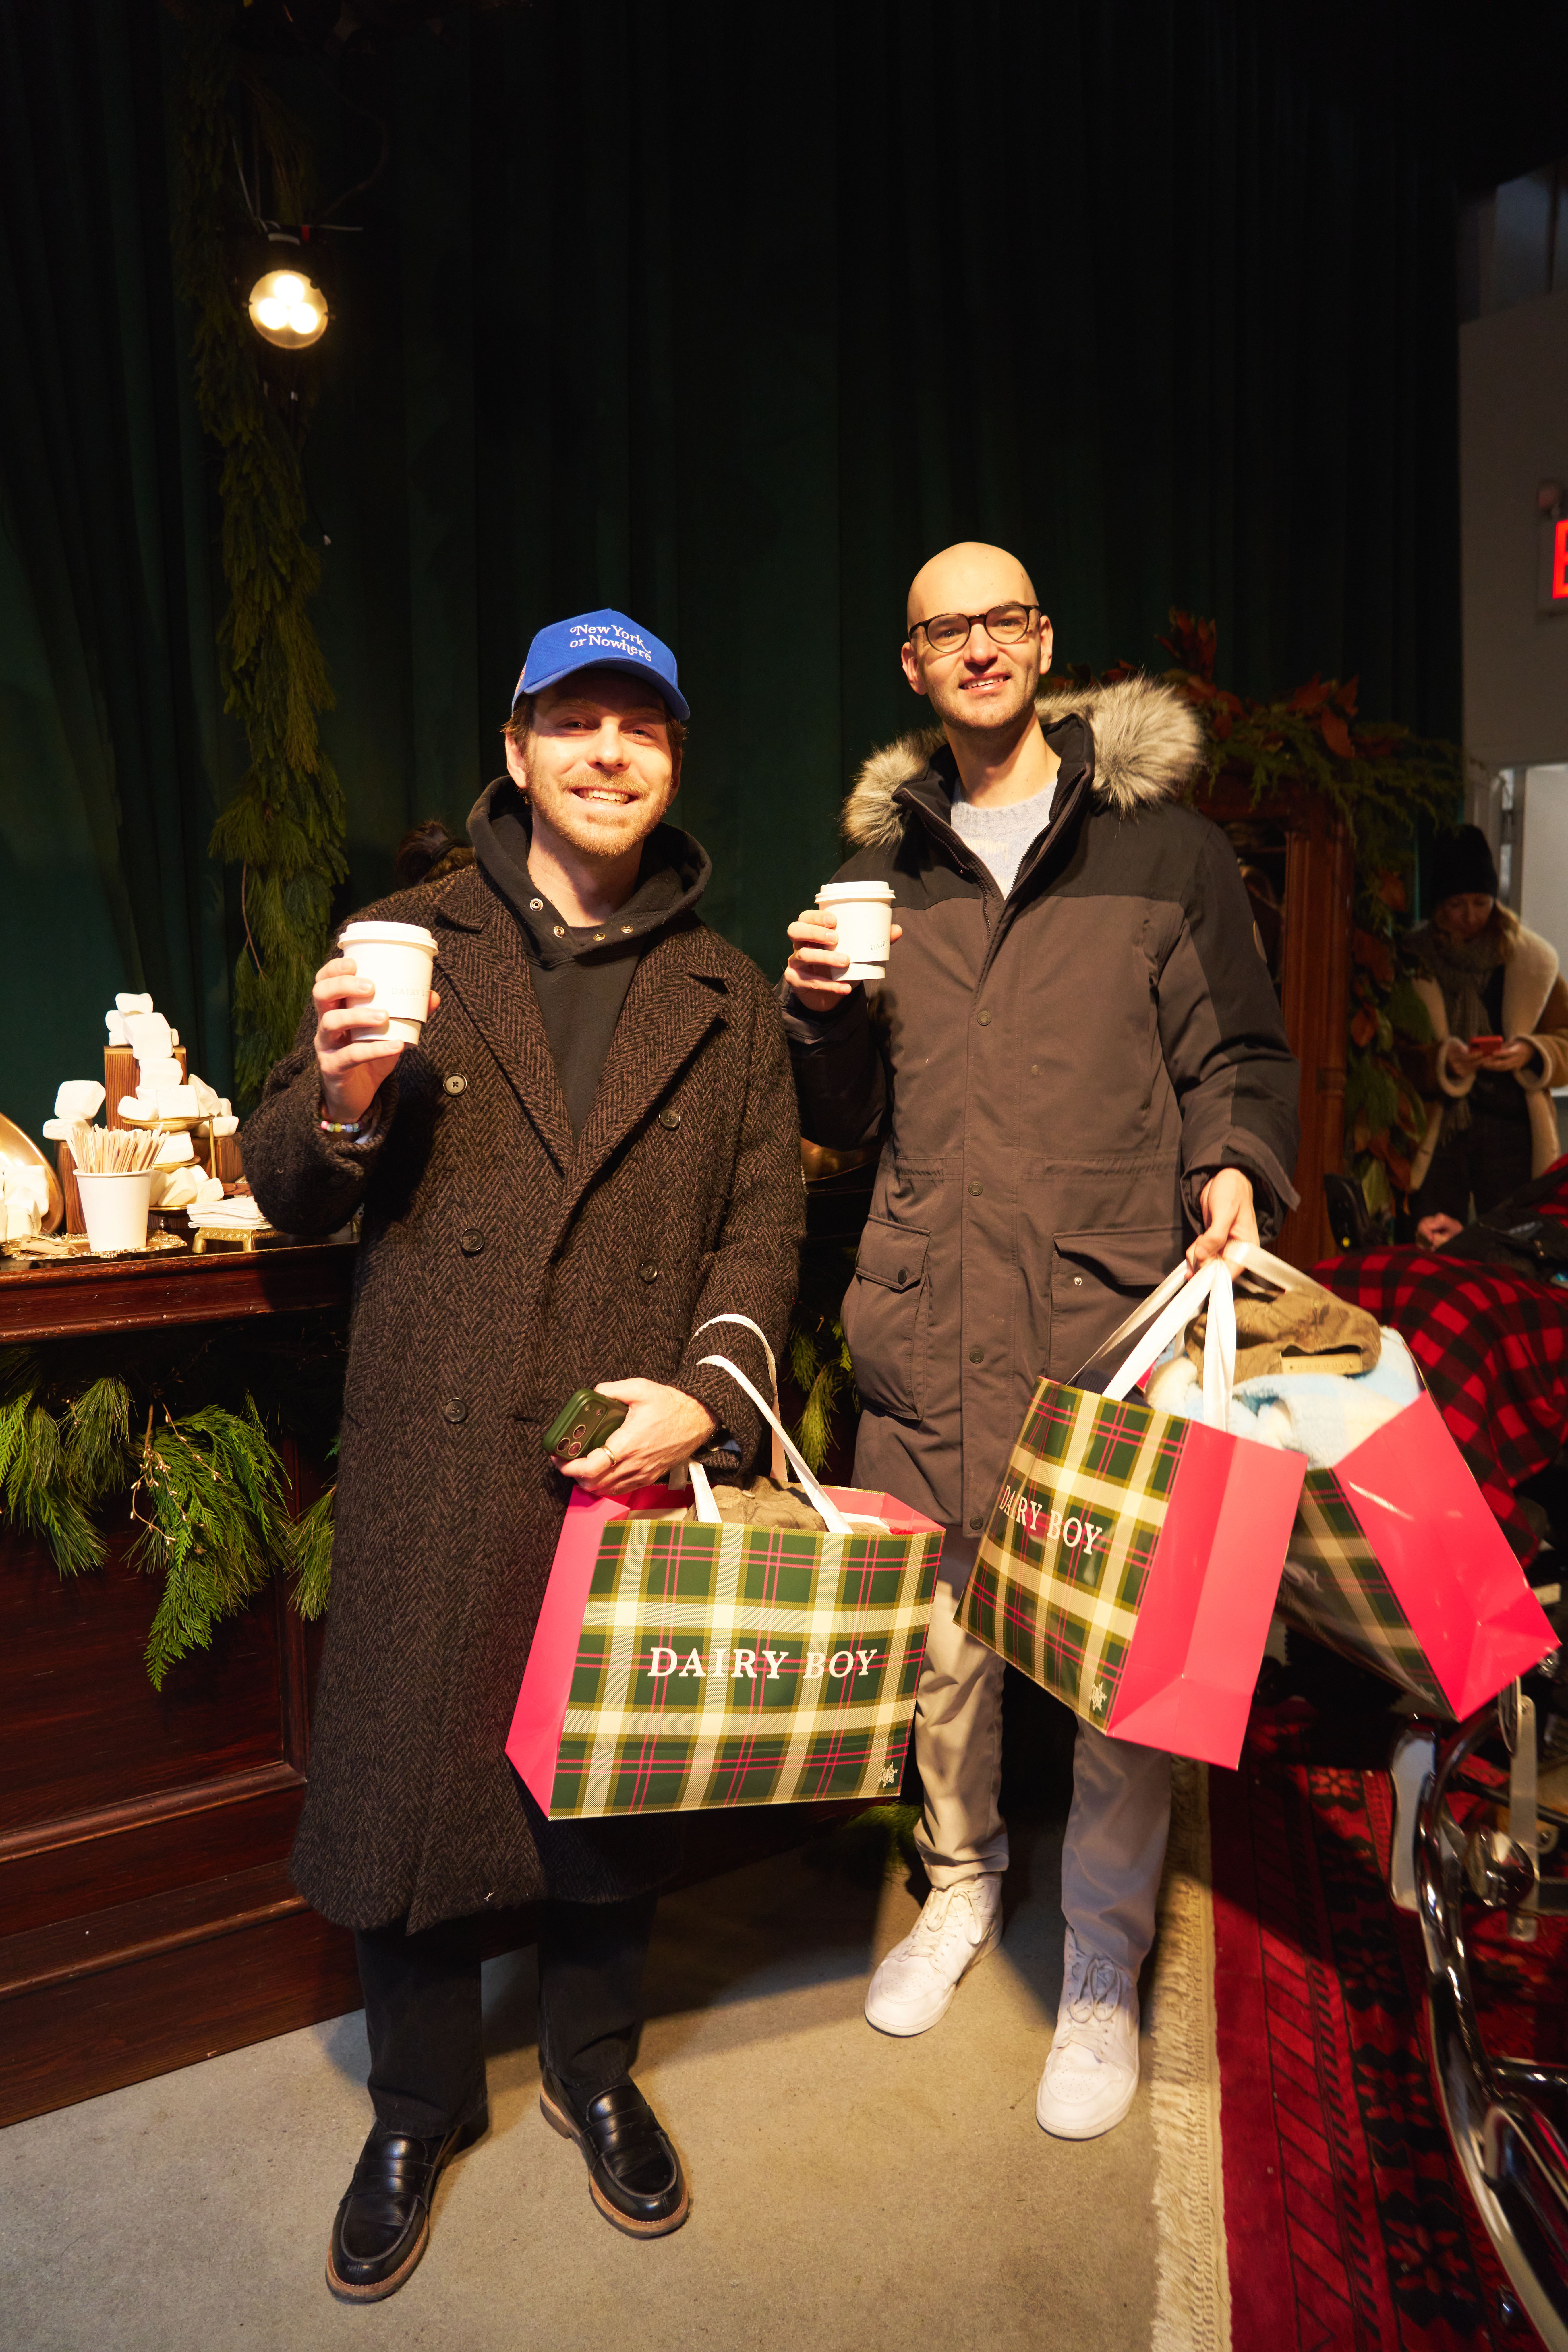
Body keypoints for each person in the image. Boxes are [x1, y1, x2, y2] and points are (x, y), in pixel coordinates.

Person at [243, 609, 802, 2299]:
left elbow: (762, 1238)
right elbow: (285, 1170)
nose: (607, 750)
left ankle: (593, 2065)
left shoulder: (729, 990)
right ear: (517, 747)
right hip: (437, 1435)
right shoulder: (402, 936)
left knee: (608, 1782)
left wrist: (706, 1400)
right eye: (575, 721)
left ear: (674, 759)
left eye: (640, 724)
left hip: (618, 1448)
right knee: (414, 1781)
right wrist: (341, 1103)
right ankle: (415, 2104)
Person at [782, 542, 1299, 2139]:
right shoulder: (888, 876)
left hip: (1108, 1302)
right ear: (912, 666)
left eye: (1003, 620)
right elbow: (846, 1123)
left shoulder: (1164, 851)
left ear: (1044, 643)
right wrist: (815, 1023)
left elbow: (1237, 1049)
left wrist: (1231, 1160)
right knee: (945, 1648)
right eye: (946, 630)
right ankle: (960, 1884)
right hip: (933, 1303)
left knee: (1119, 1648)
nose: (979, 648)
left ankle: (1096, 1960)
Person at [1403, 825, 1568, 1251]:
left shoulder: (1531, 960)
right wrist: (1443, 1062)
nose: (1470, 915)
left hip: (1512, 1126)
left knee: (1513, 1243)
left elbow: (1566, 1040)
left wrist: (1531, 1052)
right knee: (1433, 1245)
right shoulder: (1415, 960)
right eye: (1457, 904)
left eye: (1481, 902)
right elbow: (1393, 1053)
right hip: (1440, 1128)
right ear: (1438, 906)